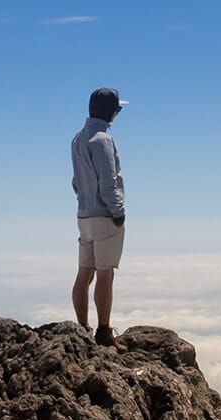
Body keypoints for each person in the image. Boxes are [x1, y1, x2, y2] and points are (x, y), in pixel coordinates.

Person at [71, 87, 128, 350]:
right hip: (105, 216)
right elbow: (108, 182)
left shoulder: (78, 139)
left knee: (85, 273)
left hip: (84, 215)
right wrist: (118, 212)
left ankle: (82, 329)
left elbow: (76, 182)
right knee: (105, 275)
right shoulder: (103, 140)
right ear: (112, 112)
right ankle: (104, 333)